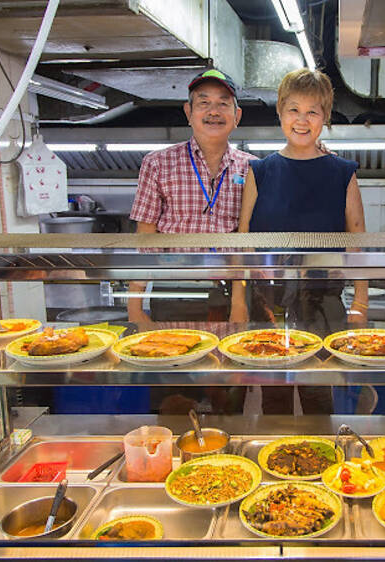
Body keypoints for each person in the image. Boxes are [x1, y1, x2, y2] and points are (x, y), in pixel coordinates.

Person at [230, 68, 369, 414]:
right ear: (279, 113)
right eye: (293, 109)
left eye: (313, 111)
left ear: (324, 117)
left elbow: (357, 240)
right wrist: (238, 299)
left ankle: (319, 464)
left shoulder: (343, 173)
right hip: (268, 298)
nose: (302, 120)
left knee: (319, 392)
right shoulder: (259, 171)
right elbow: (243, 240)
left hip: (324, 299)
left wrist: (361, 303)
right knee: (274, 392)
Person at [125, 68, 256, 415]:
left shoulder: (254, 168)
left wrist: (241, 302)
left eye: (223, 104)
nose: (214, 111)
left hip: (229, 296)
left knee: (227, 399)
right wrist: (136, 306)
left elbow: (248, 242)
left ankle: (227, 463)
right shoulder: (157, 163)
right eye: (204, 103)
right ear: (188, 111)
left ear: (237, 115)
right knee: (173, 401)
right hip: (174, 295)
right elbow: (146, 238)